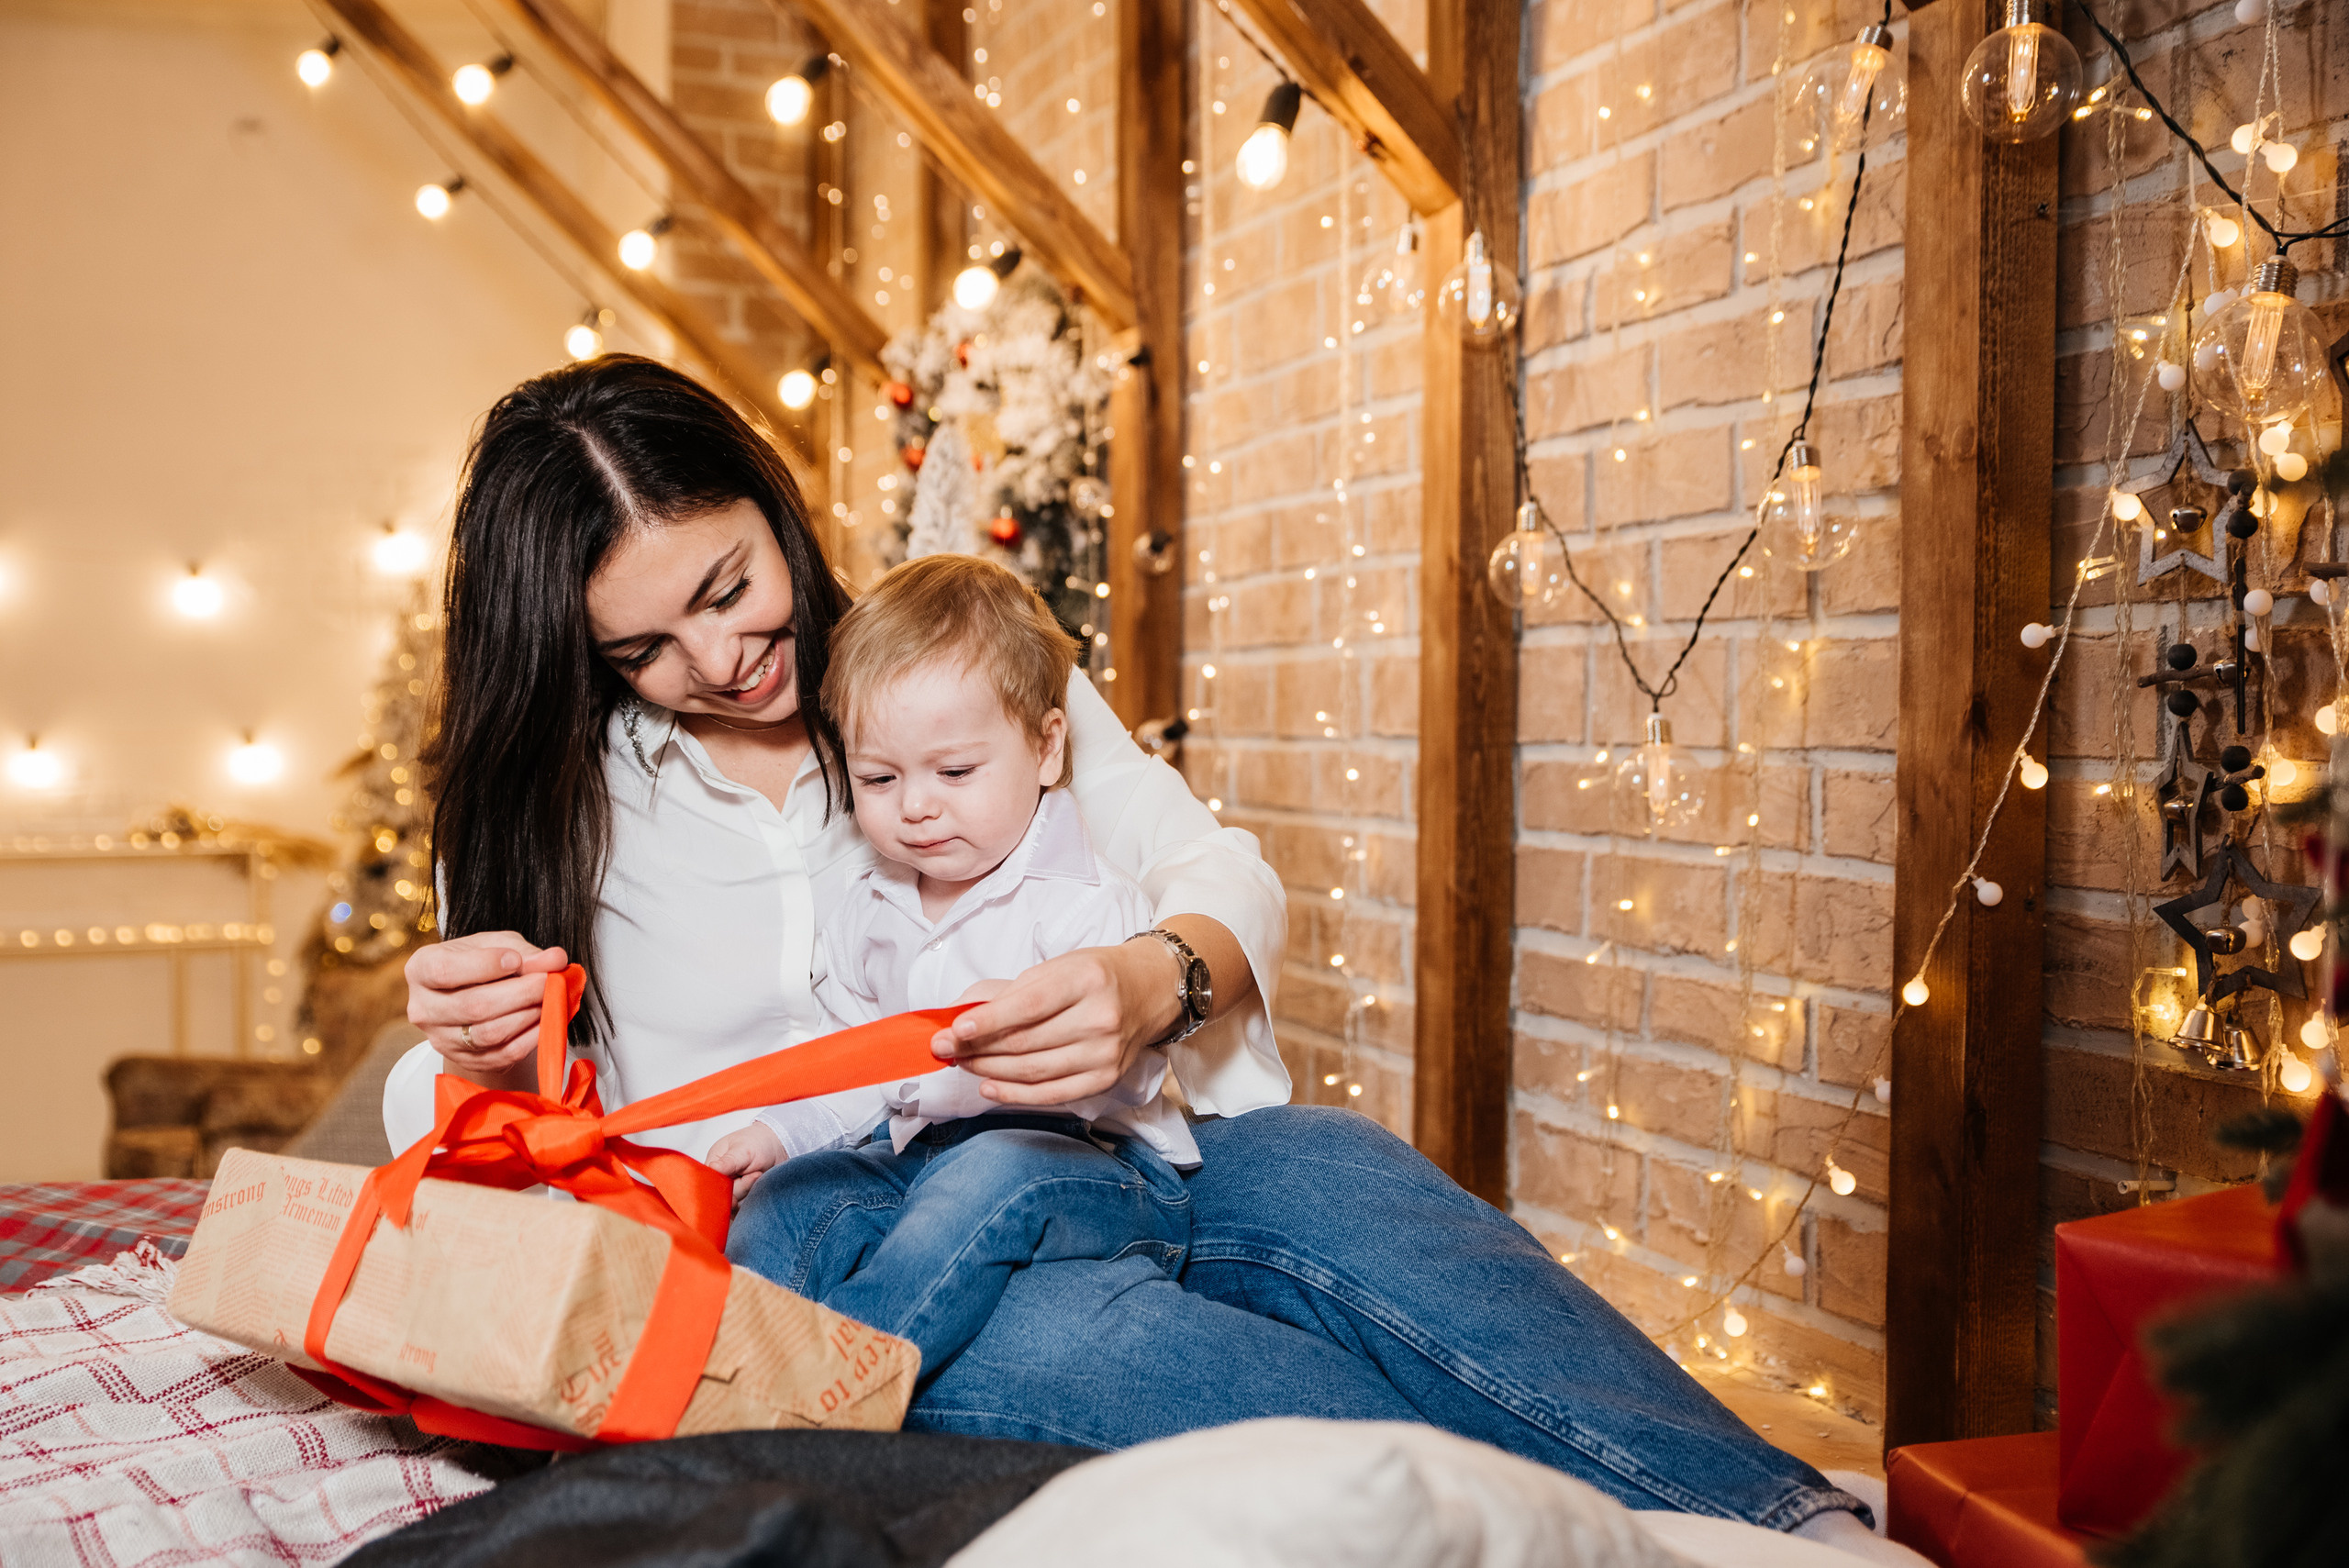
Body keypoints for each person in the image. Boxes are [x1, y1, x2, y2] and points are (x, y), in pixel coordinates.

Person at [387, 355, 1880, 1549]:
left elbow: (1214, 868)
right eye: (645, 649)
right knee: (1297, 1421)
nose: (719, 661)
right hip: (857, 1231)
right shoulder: (548, 807)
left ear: (774, 511)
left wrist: (1152, 979)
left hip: (1134, 1134)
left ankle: (1805, 1533)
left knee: (1358, 1188)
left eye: (728, 588)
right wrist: (462, 1052)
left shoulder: (936, 654)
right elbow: (476, 1131)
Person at [708, 554, 1197, 1377]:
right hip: (917, 1161)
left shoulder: (1083, 904)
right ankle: (723, 1363)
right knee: (797, 1197)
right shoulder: (871, 905)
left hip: (1100, 1170)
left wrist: (1038, 1045)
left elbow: (1133, 1074)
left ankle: (830, 1383)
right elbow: (853, 1060)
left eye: (956, 772)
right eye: (879, 777)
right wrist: (781, 1134)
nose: (917, 805)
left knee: (987, 1174)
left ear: (1046, 750)